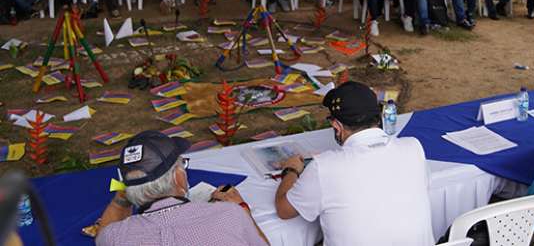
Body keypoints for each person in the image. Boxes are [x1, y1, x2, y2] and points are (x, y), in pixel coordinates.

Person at [274, 81, 434, 246]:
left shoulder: (324, 167)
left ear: (337, 126)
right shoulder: (413, 147)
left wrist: (291, 170)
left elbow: (284, 210)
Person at [95, 130, 268, 246]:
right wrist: (242, 208)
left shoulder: (114, 236)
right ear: (178, 177)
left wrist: (121, 201)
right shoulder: (231, 214)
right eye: (183, 165)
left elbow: (102, 237)